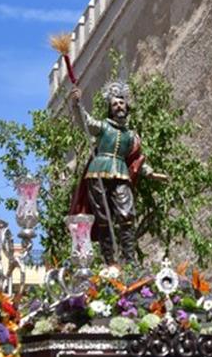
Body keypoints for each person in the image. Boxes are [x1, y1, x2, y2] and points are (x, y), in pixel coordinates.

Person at [70, 81, 166, 264]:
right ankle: (110, 262)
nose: (118, 106)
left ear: (126, 106)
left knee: (126, 214)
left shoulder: (132, 136)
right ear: (110, 109)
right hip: (98, 173)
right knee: (103, 218)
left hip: (121, 173)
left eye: (121, 103)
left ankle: (130, 261)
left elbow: (135, 159)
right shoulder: (102, 127)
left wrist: (151, 173)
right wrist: (77, 104)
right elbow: (85, 121)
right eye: (114, 104)